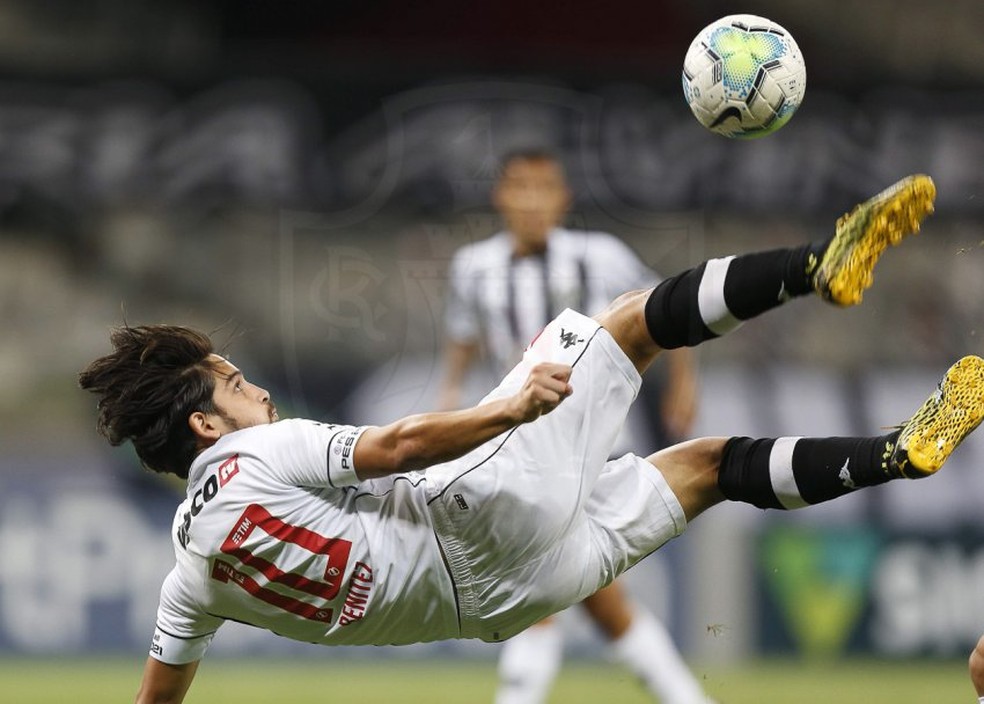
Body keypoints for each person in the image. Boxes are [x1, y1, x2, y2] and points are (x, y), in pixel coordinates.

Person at [79, 173, 984, 704]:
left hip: (506, 603)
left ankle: (897, 452)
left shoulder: (187, 575)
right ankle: (816, 267)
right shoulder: (255, 456)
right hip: (478, 515)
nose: (260, 389)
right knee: (629, 321)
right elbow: (395, 448)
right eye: (237, 385)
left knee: (708, 468)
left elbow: (157, 699)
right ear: (206, 425)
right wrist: (501, 413)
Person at [439, 148, 706, 704]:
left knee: (540, 584)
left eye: (544, 188)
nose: (532, 201)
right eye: (520, 188)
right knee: (589, 598)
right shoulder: (474, 267)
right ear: (502, 197)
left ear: (563, 199)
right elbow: (462, 345)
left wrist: (683, 380)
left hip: (595, 443)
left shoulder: (600, 256)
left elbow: (665, 305)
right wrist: (449, 404)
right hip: (519, 445)